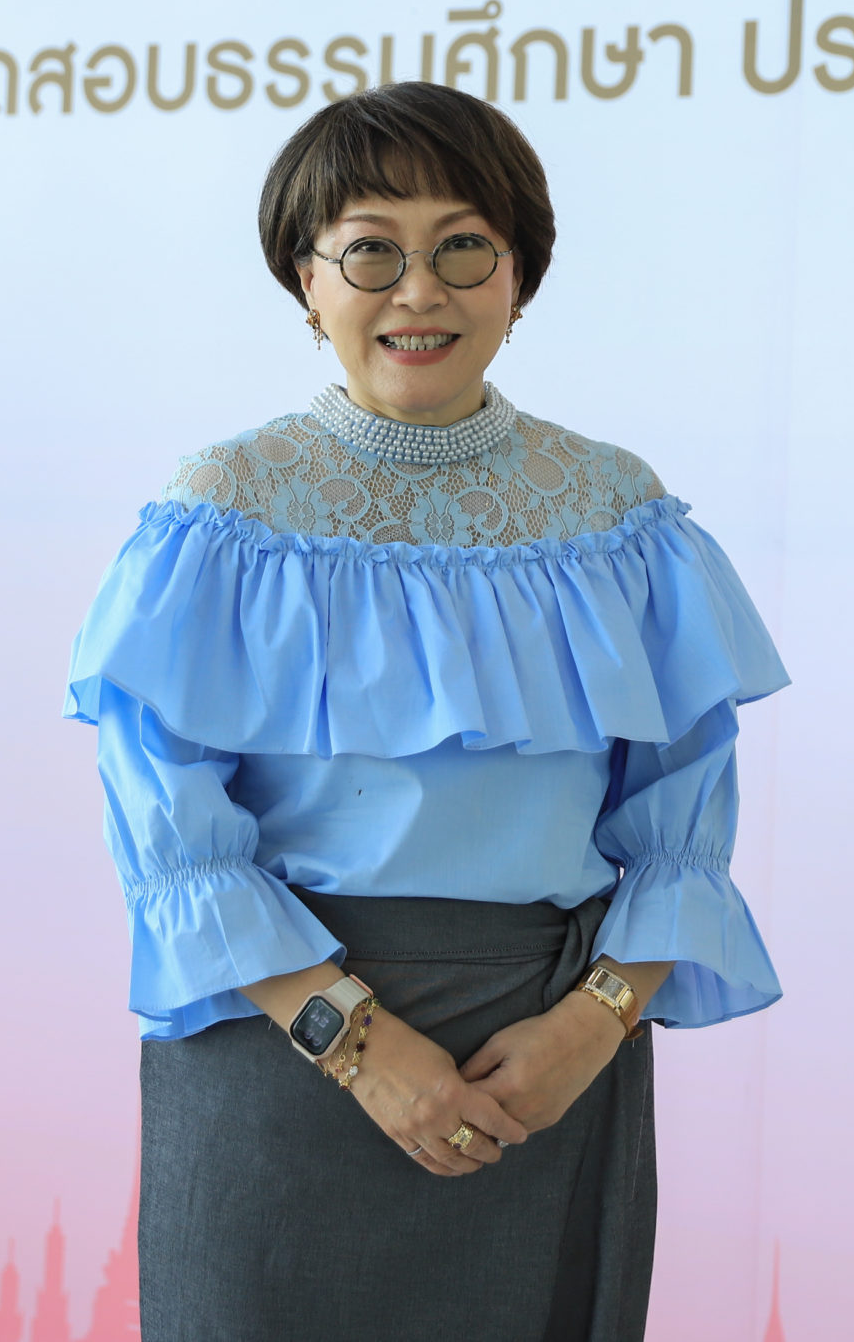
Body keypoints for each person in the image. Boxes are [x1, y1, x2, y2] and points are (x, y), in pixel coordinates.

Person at [62, 81, 786, 1341]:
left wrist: (590, 1026)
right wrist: (353, 1040)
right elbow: (170, 824)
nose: (418, 290)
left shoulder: (615, 512)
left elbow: (681, 823)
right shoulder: (224, 507)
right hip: (282, 1049)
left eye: (463, 247)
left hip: (547, 1062)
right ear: (305, 278)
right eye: (370, 250)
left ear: (518, 275)